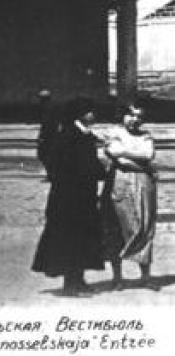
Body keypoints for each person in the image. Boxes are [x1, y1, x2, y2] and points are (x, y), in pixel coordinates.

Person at [31, 98, 106, 296]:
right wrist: (96, 171)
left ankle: (79, 280)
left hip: (83, 196)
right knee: (69, 238)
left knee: (82, 237)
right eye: (89, 111)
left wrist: (100, 171)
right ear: (79, 114)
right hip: (68, 198)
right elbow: (61, 163)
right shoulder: (69, 135)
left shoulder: (85, 135)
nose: (93, 115)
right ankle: (70, 284)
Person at [101, 105, 158, 291]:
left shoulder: (146, 136)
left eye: (139, 116)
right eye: (131, 115)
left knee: (144, 226)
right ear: (123, 115)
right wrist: (145, 167)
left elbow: (148, 154)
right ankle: (117, 278)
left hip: (144, 185)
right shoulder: (113, 133)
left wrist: (125, 152)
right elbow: (117, 157)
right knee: (117, 227)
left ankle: (146, 277)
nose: (135, 119)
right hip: (119, 182)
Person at [36, 89, 60, 182]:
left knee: (44, 155)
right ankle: (52, 174)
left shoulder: (47, 109)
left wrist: (42, 136)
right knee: (49, 156)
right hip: (54, 135)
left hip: (49, 137)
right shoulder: (53, 107)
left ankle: (51, 175)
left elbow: (46, 124)